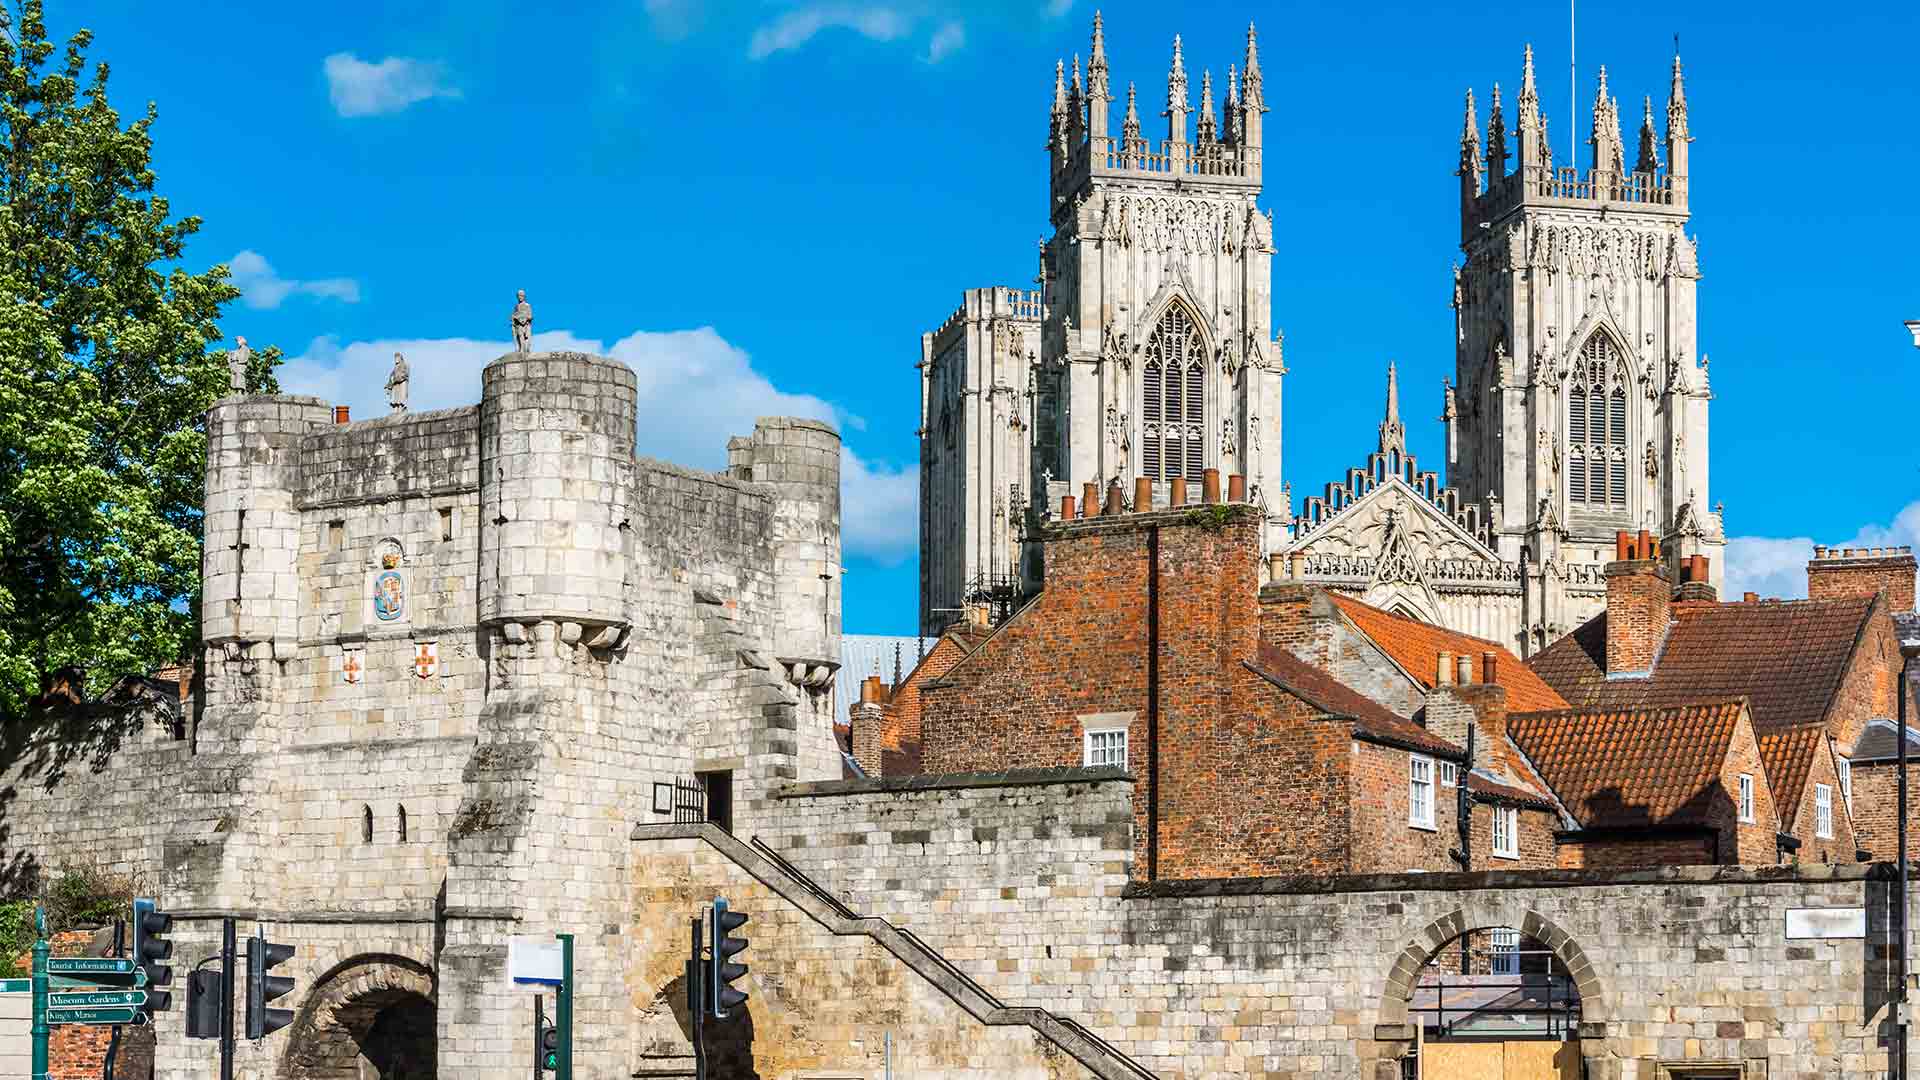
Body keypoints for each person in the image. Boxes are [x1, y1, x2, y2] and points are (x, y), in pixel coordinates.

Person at [511, 290, 533, 354]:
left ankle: (526, 350)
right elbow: (514, 315)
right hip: (518, 325)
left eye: (521, 296)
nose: (520, 297)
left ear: (524, 297)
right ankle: (521, 349)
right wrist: (513, 318)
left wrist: (525, 319)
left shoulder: (527, 305)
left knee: (527, 338)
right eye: (518, 296)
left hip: (526, 325)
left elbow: (530, 315)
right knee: (520, 336)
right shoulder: (516, 307)